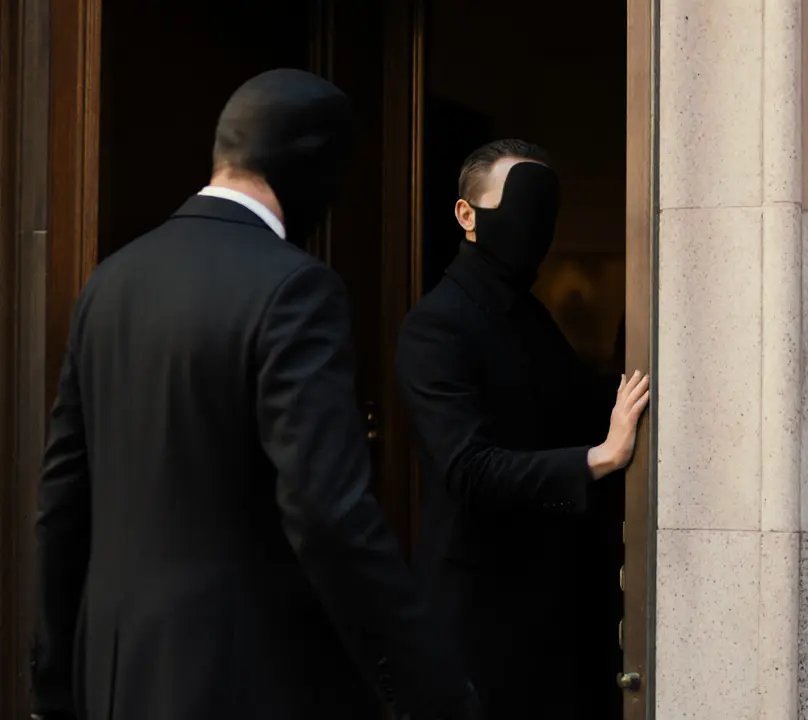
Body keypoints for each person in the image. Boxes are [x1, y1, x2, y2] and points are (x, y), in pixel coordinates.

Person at [31, 69, 477, 720]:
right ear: (314, 168)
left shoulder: (111, 282)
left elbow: (62, 499)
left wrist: (51, 683)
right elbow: (329, 514)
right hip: (241, 679)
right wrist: (432, 689)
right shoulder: (296, 288)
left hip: (115, 678)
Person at [396, 139, 649, 718]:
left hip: (553, 607)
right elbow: (467, 468)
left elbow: (578, 406)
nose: (533, 226)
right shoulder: (435, 327)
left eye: (545, 211)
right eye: (518, 207)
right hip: (480, 618)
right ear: (467, 215)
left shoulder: (531, 316)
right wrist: (598, 458)